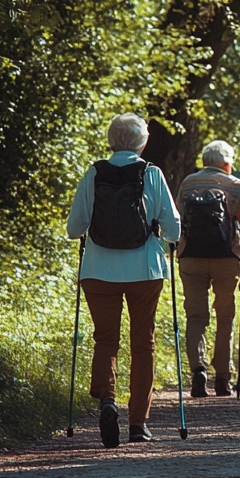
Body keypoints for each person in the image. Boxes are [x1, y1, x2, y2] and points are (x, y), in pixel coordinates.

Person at [66, 113, 181, 447]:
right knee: (143, 343)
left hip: (98, 270)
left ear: (111, 140)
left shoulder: (94, 173)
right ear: (142, 142)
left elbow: (74, 229)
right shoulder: (152, 173)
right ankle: (138, 424)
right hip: (144, 270)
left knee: (105, 339)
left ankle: (107, 400)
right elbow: (173, 229)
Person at [176, 140, 240, 398]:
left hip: (191, 256)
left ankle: (198, 369)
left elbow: (178, 217)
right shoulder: (236, 185)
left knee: (195, 316)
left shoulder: (188, 183)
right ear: (226, 163)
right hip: (226, 258)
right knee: (225, 316)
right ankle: (222, 376)